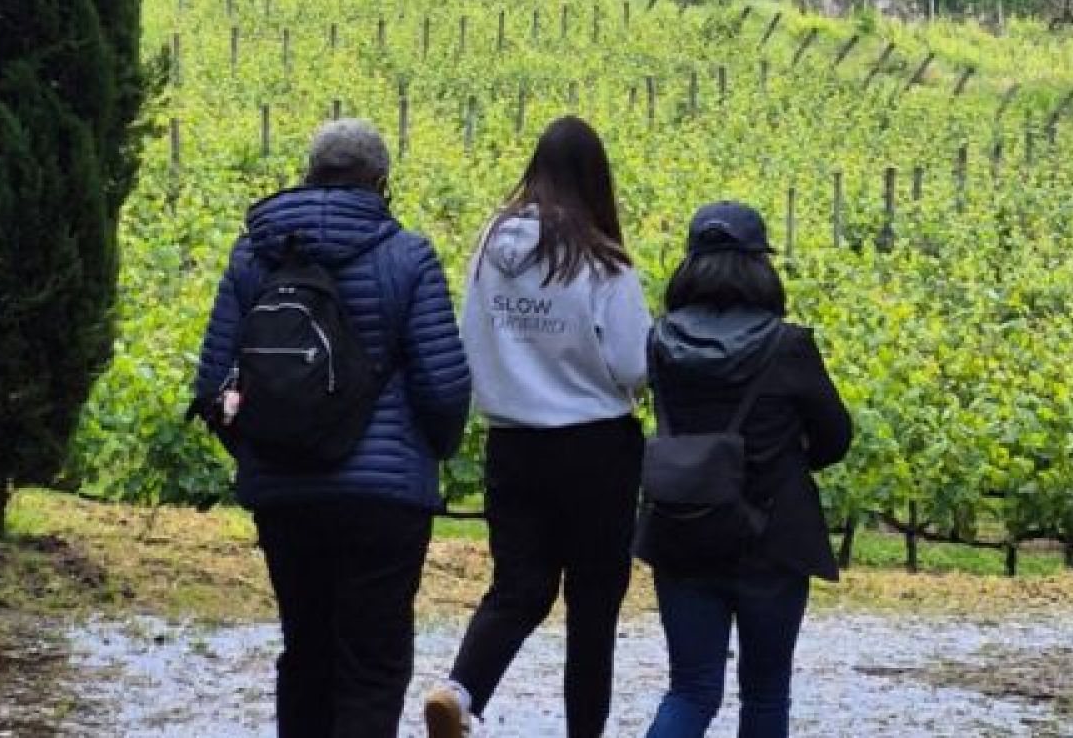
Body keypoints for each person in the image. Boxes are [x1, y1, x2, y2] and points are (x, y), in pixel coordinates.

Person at [192, 119, 471, 738]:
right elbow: (444, 386)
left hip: (286, 495)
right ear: (381, 181)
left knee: (306, 654)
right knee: (371, 665)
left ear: (308, 173)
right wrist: (430, 453)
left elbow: (213, 385)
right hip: (384, 499)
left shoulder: (252, 257)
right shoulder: (408, 256)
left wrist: (266, 448)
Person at [424, 116, 652, 738]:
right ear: (594, 179)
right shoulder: (603, 263)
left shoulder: (489, 252)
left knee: (518, 588)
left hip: (513, 443)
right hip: (595, 448)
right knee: (592, 610)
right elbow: (634, 362)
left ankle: (460, 690)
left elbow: (469, 339)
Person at [639, 201, 852, 738]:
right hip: (772, 537)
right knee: (764, 692)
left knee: (689, 688)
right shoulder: (788, 346)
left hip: (682, 529)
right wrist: (787, 458)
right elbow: (835, 436)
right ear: (760, 265)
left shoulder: (661, 340)